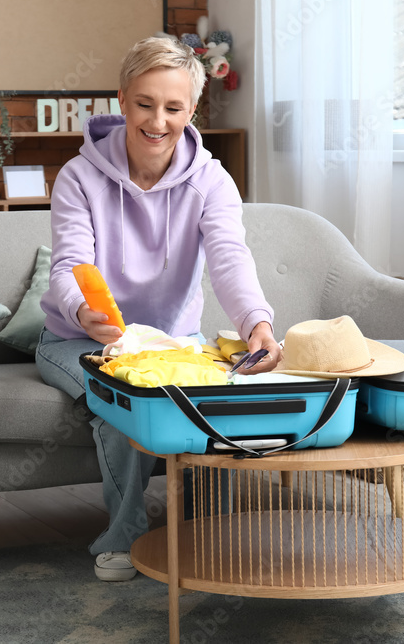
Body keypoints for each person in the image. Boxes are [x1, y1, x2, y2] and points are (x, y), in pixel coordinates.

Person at [35, 36, 281, 582]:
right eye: (145, 103)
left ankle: (204, 534)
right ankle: (124, 538)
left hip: (171, 340)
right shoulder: (79, 177)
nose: (157, 120)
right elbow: (68, 266)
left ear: (191, 111)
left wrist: (257, 325)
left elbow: (229, 261)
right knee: (125, 412)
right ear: (122, 100)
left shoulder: (211, 181)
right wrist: (82, 315)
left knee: (214, 405)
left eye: (173, 108)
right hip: (75, 340)